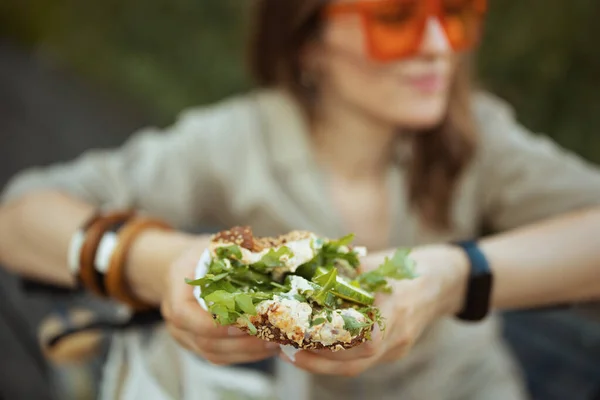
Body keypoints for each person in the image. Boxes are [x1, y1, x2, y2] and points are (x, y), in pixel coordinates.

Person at [1, 0, 599, 398]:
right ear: (309, 40)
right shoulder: (238, 139)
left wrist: (449, 278)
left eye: (458, 13)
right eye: (395, 17)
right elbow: (21, 217)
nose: (440, 46)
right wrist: (159, 265)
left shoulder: (480, 138)